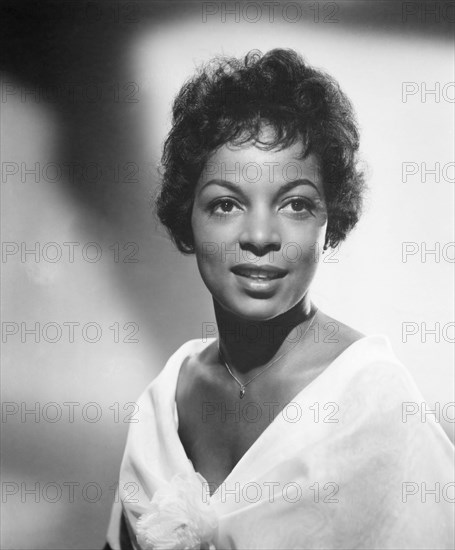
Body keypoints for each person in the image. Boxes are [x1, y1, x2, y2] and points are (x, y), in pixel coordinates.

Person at [104, 49, 454, 550]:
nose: (261, 235)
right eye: (226, 204)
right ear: (188, 216)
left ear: (330, 220)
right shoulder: (166, 397)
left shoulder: (372, 399)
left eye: (295, 204)